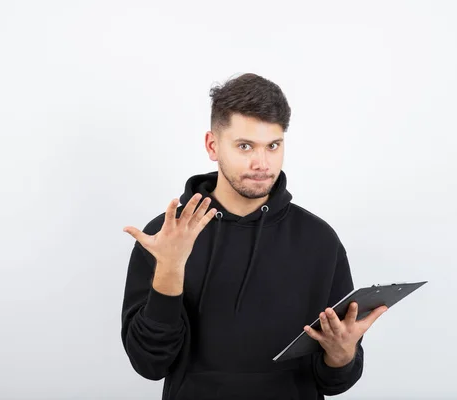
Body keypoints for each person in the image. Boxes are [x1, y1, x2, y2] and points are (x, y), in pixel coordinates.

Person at [120, 72, 388, 400]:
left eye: (273, 146)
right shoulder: (165, 237)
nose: (262, 163)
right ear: (212, 145)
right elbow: (149, 364)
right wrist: (170, 270)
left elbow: (335, 382)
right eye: (245, 146)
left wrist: (342, 354)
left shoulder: (319, 241)